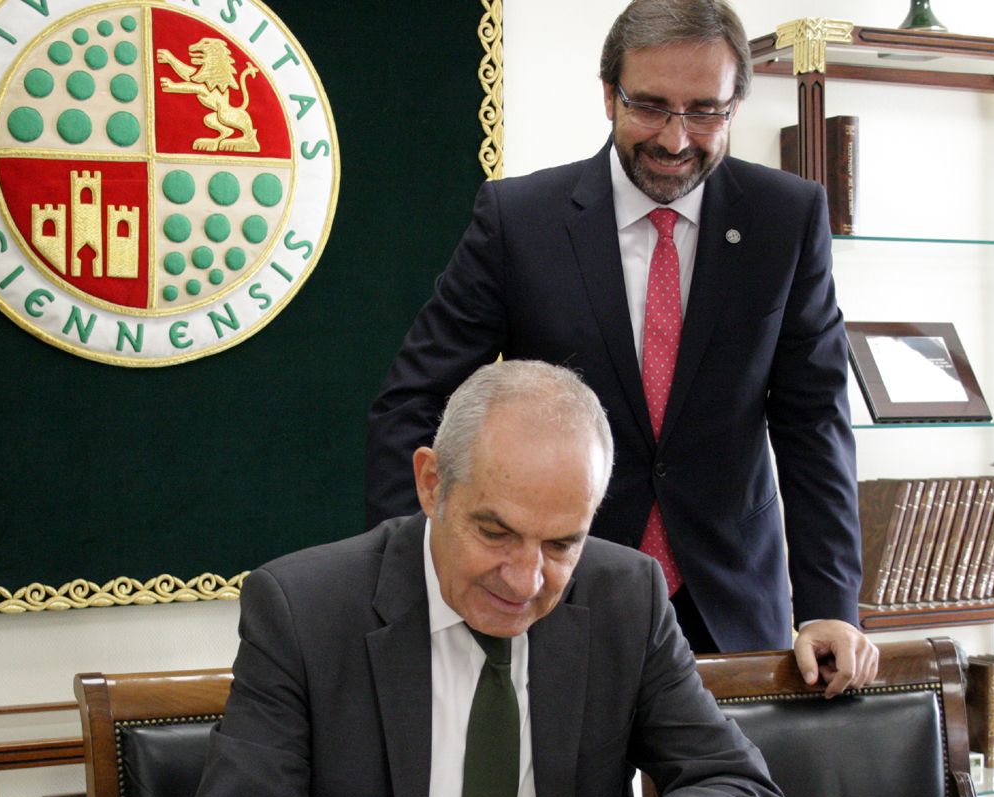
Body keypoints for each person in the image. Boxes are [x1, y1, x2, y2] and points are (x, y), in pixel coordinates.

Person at [178, 360, 784, 797]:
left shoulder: (625, 596)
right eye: (495, 533)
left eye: (561, 544)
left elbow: (741, 791)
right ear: (430, 483)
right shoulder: (304, 608)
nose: (526, 581)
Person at [364, 0, 878, 695]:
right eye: (651, 107)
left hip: (729, 600)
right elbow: (412, 404)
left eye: (704, 111)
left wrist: (827, 605)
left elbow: (813, 420)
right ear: (608, 93)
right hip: (551, 590)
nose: (674, 139)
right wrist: (415, 584)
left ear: (734, 106)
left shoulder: (785, 218)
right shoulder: (519, 221)